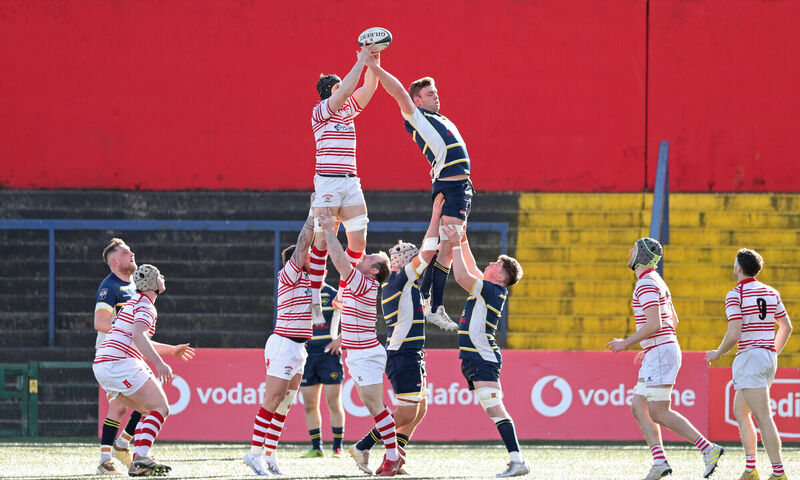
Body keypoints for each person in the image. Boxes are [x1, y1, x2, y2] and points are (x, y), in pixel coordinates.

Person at [607, 238, 724, 480]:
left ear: (640, 256)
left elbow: (654, 323)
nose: (629, 251)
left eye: (634, 249)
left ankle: (708, 449)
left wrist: (626, 344)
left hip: (660, 350)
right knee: (639, 406)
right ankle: (659, 461)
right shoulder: (655, 281)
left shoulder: (646, 284)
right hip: (658, 349)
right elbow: (673, 320)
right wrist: (649, 345)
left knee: (659, 411)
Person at [366, 59, 471, 331]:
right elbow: (399, 91)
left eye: (435, 92)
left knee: (446, 249)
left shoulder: (441, 118)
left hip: (462, 188)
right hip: (450, 186)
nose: (435, 95)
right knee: (446, 248)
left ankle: (429, 300)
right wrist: (374, 66)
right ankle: (433, 305)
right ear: (417, 100)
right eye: (428, 93)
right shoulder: (417, 116)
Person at [349, 194, 444, 474]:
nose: (415, 259)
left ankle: (395, 456)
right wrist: (436, 216)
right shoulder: (398, 279)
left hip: (412, 352)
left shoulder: (404, 283)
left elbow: (435, 259)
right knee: (406, 412)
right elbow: (428, 254)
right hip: (403, 353)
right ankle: (363, 446)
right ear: (402, 262)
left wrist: (450, 243)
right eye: (410, 256)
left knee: (420, 409)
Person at [318, 212, 404, 477]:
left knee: (376, 407)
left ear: (375, 270)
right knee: (374, 407)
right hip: (361, 352)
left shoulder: (364, 281)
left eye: (370, 259)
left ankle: (392, 456)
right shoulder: (363, 282)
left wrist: (328, 229)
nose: (364, 258)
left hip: (365, 353)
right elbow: (347, 266)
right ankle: (388, 452)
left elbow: (340, 260)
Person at [441, 221, 529, 478]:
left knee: (494, 407)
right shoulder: (490, 287)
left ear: (501, 277)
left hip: (482, 356)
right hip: (476, 356)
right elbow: (470, 267)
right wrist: (463, 238)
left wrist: (457, 242)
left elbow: (460, 275)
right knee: (493, 407)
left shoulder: (490, 289)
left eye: (495, 265)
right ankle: (517, 460)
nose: (489, 265)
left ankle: (518, 460)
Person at [92, 264, 195, 477]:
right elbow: (139, 337)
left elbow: (139, 339)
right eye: (159, 275)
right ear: (151, 283)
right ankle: (140, 458)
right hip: (119, 363)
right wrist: (159, 363)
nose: (163, 277)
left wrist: (172, 350)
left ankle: (135, 459)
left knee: (148, 410)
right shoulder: (147, 307)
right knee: (161, 408)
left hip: (104, 364)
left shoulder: (133, 303)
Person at [705, 249, 793, 480]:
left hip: (751, 358)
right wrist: (771, 351)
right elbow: (786, 327)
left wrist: (718, 353)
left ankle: (778, 472)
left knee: (763, 417)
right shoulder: (771, 292)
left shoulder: (736, 294)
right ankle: (751, 469)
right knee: (741, 412)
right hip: (766, 357)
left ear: (739, 269)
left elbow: (734, 333)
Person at [309, 43, 380, 327]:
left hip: (350, 181)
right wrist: (361, 61)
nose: (345, 90)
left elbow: (368, 87)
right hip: (327, 181)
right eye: (340, 87)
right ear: (330, 91)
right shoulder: (322, 111)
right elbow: (349, 88)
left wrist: (374, 60)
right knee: (323, 240)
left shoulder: (348, 110)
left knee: (359, 240)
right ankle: (315, 298)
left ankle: (342, 292)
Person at [244, 209, 315, 476]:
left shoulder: (309, 280)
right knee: (272, 399)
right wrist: (314, 213)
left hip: (299, 346)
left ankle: (271, 454)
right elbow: (304, 242)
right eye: (306, 257)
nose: (310, 259)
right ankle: (254, 453)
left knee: (285, 403)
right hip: (284, 343)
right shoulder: (290, 273)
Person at [93, 238, 143, 475]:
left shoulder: (133, 285)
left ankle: (118, 447)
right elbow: (100, 322)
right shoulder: (109, 287)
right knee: (129, 406)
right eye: (125, 252)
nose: (132, 253)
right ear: (114, 261)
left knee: (139, 404)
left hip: (129, 355)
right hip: (111, 357)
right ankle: (110, 455)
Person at [299, 276, 345, 459]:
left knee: (334, 402)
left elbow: (353, 316)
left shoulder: (334, 294)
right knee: (310, 404)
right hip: (307, 357)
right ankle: (316, 447)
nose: (313, 275)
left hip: (329, 357)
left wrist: (340, 339)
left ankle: (337, 447)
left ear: (325, 271)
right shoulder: (300, 294)